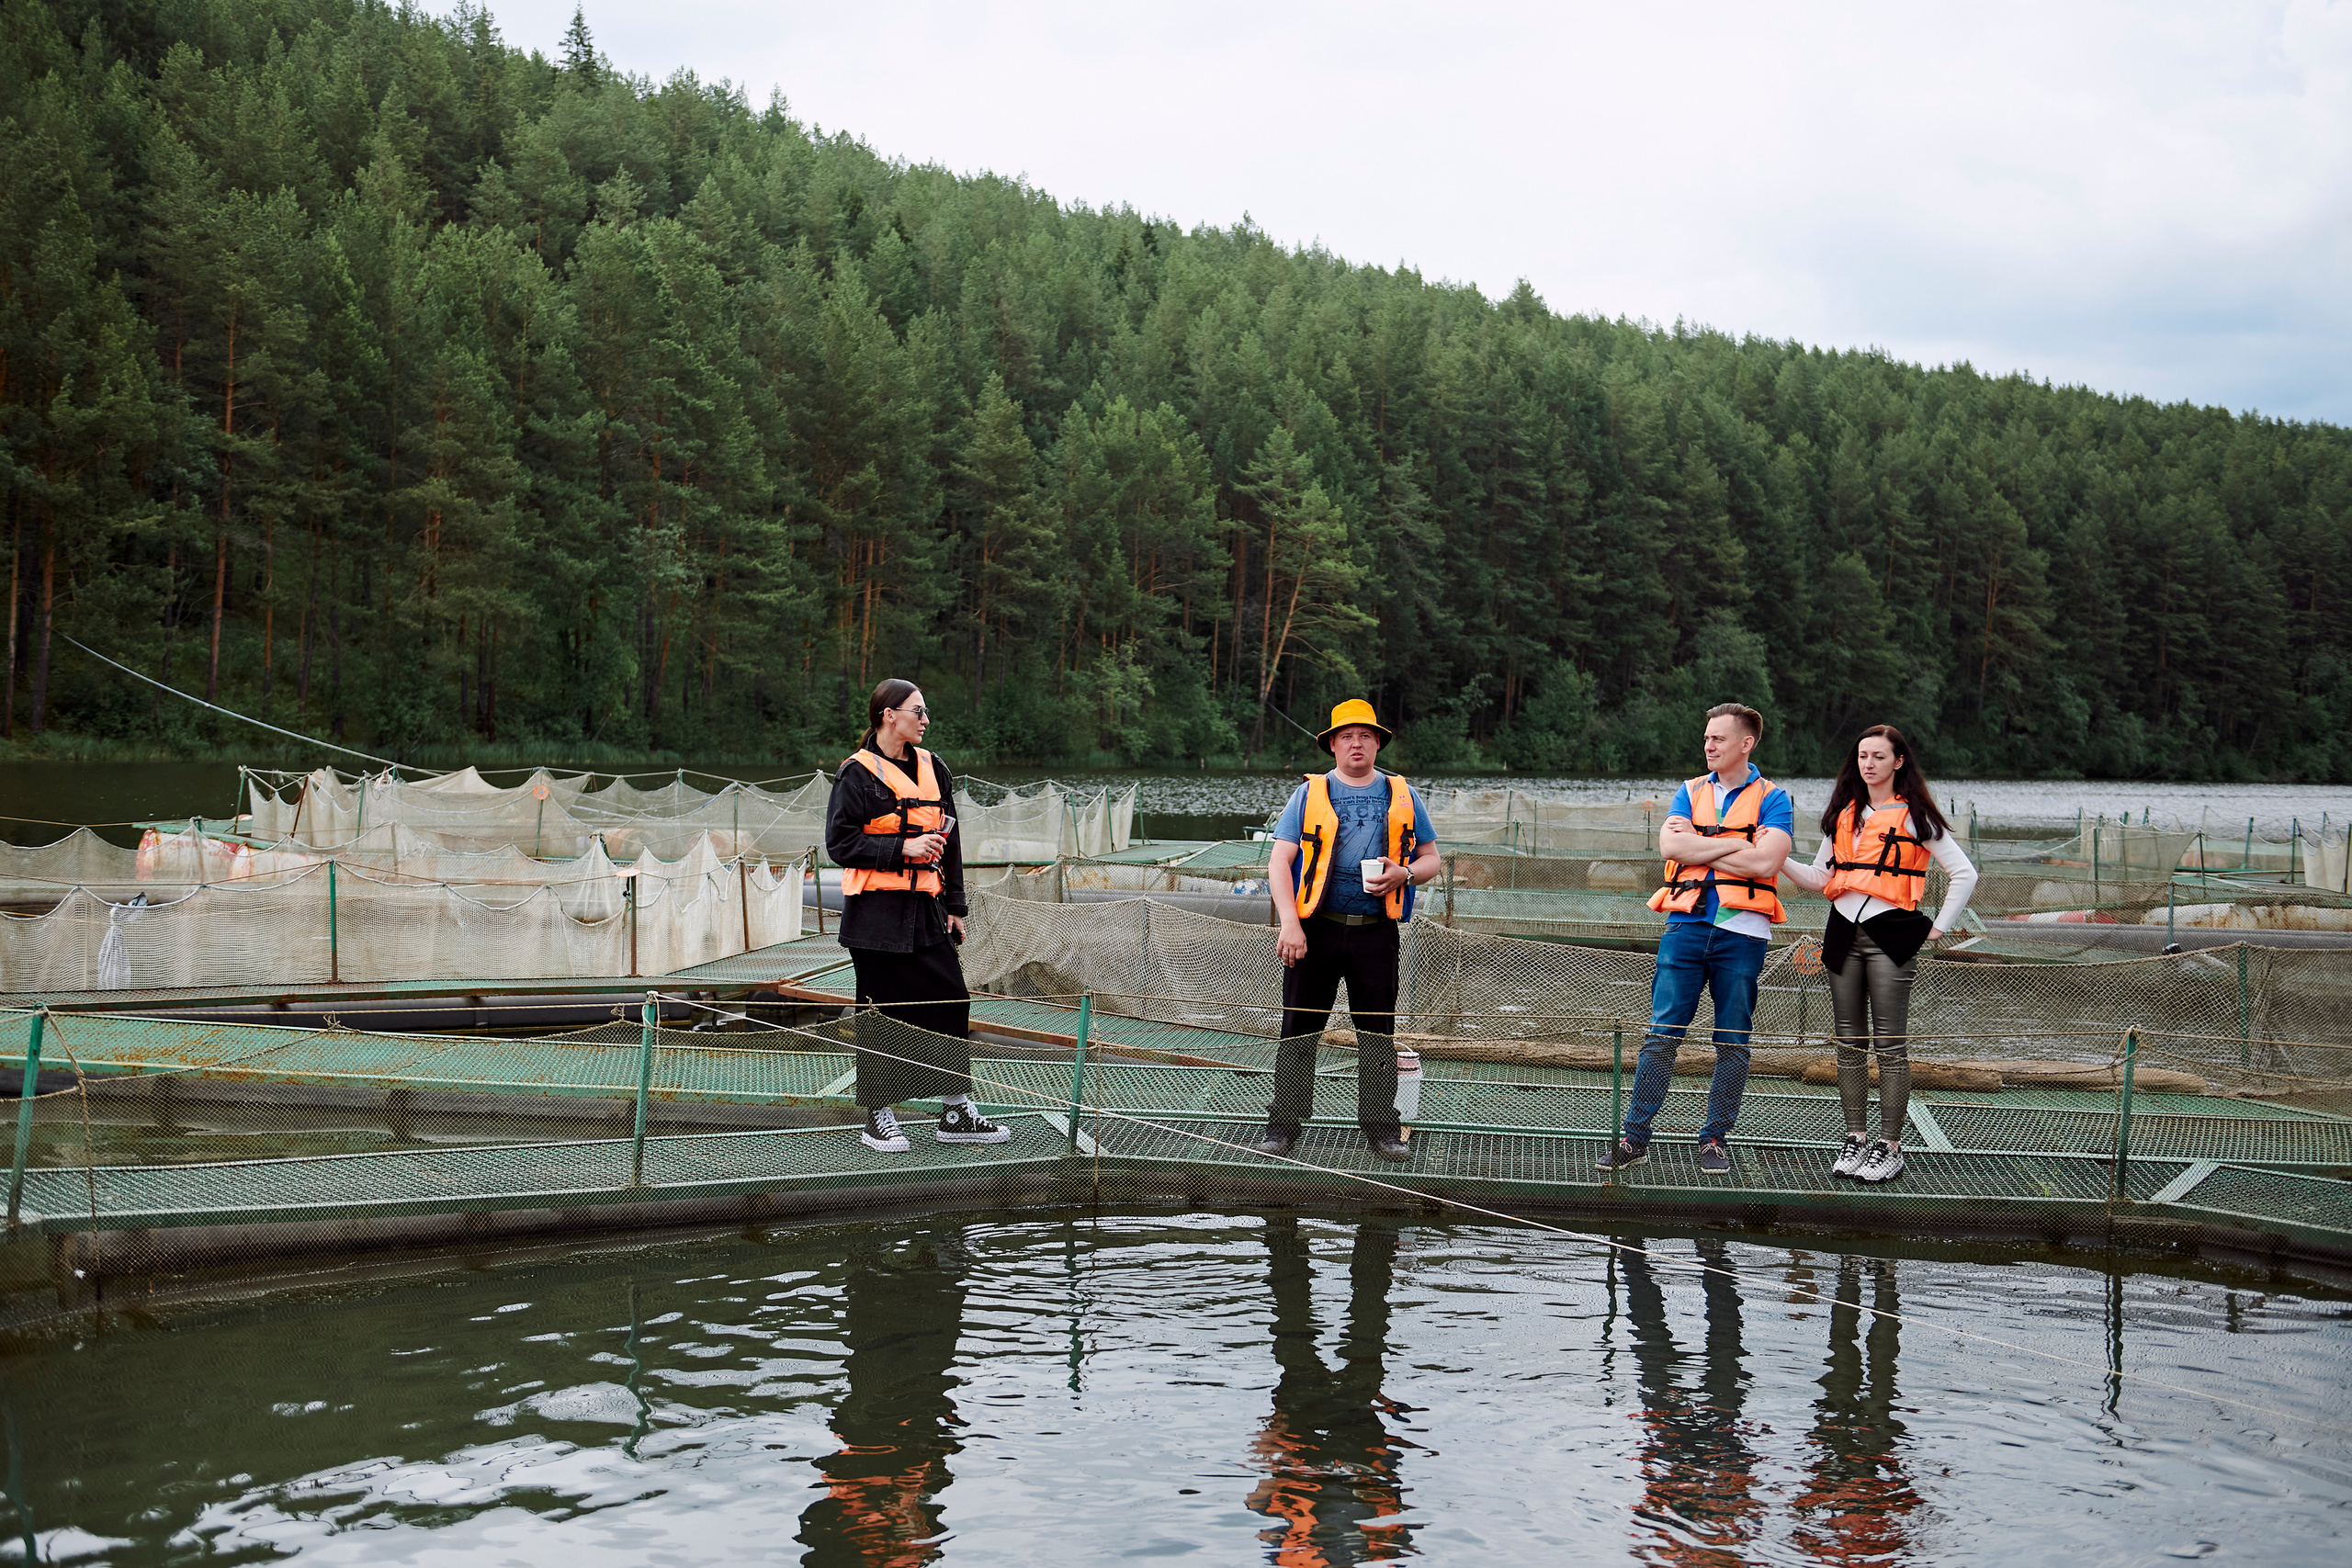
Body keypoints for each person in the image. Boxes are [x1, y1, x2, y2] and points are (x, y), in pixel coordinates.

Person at [1599, 703, 1793, 1177]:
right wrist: (1736, 843)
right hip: (1684, 927)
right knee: (1661, 1035)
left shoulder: (1776, 798)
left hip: (1743, 933)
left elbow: (1766, 865)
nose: (1708, 745)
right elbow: (1672, 848)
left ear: (1746, 744)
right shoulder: (1688, 791)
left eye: (1719, 739)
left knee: (1732, 1041)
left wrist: (1705, 845)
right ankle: (1635, 1138)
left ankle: (1713, 1138)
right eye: (1706, 737)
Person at [1779, 725, 1978, 1184]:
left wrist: (1939, 928)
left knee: (1890, 1046)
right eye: (1863, 756)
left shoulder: (1916, 817)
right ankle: (1855, 1138)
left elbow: (1963, 873)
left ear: (1898, 762)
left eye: (1879, 756)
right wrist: (1771, 855)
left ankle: (1890, 1146)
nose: (1869, 764)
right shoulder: (1844, 814)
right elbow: (1816, 877)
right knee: (1849, 1045)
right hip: (1841, 933)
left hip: (1892, 934)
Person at [824, 678, 1010, 1153]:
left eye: (925, 713)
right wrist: (901, 847)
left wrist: (956, 906)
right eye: (918, 711)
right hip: (875, 916)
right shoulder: (856, 775)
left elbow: (951, 842)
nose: (926, 721)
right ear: (890, 715)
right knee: (882, 1014)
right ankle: (878, 1117)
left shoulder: (935, 769)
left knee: (951, 1000)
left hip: (927, 911)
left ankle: (955, 1111)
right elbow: (840, 844)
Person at [1257, 699, 1442, 1165]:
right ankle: (1284, 1124)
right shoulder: (1308, 794)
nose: (1355, 743)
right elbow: (1279, 862)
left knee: (1376, 1031)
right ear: (1333, 745)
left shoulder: (1403, 793)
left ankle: (1381, 1128)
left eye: (1364, 736)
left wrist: (1404, 874)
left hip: (1375, 933)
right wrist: (1290, 925)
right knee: (1300, 1027)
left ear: (1378, 742)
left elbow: (1431, 860)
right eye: (1346, 736)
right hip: (1314, 931)